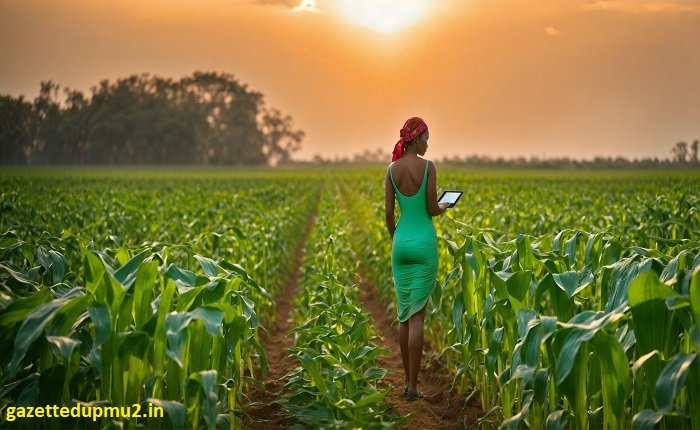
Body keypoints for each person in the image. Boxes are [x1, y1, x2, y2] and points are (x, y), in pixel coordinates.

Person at [384, 116, 448, 401]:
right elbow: (432, 208)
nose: (428, 143)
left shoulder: (391, 170)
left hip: (401, 243)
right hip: (424, 243)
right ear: (416, 139)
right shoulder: (428, 168)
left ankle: (405, 383)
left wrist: (395, 237)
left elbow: (388, 213)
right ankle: (412, 388)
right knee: (418, 316)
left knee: (403, 315)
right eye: (426, 138)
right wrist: (445, 205)